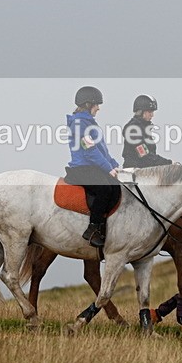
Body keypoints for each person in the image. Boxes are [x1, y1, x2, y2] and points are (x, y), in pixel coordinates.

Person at [65, 86, 121, 249]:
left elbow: (102, 150)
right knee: (104, 189)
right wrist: (107, 168)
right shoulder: (78, 124)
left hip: (93, 166)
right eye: (96, 104)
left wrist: (115, 166)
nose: (98, 108)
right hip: (82, 168)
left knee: (116, 188)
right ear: (88, 104)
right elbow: (89, 151)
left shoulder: (89, 123)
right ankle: (93, 228)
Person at [122, 94, 174, 169]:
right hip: (134, 172)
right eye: (150, 112)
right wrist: (168, 162)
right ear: (141, 112)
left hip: (145, 171)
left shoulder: (144, 128)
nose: (152, 115)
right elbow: (144, 155)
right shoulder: (133, 130)